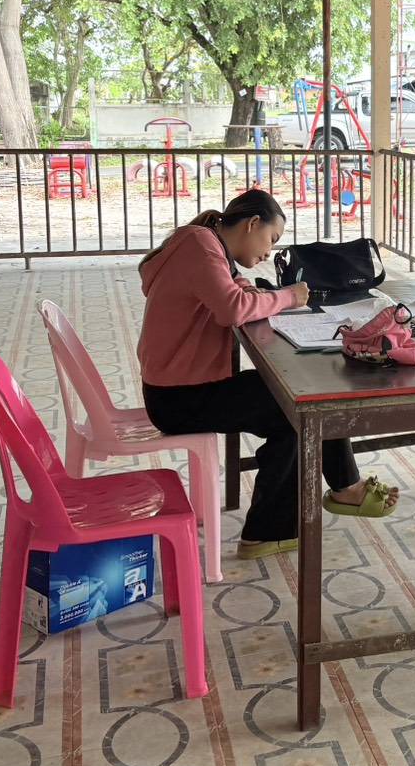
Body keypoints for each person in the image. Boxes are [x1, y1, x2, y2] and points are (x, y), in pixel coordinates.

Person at [137, 190, 400, 560]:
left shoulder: (205, 244)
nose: (268, 252)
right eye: (271, 239)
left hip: (179, 389)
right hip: (179, 399)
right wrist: (290, 296)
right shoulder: (200, 244)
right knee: (295, 405)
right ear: (252, 224)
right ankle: (287, 521)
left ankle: (326, 497)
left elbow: (233, 289)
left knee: (298, 392)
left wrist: (250, 289)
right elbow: (232, 308)